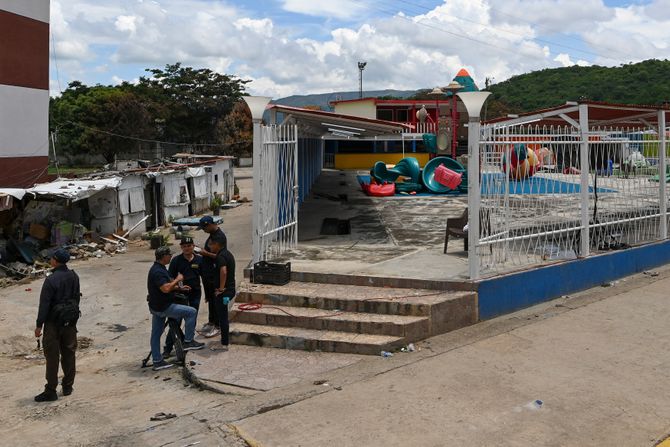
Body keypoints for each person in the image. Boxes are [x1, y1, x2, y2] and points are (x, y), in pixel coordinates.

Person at [34, 248, 81, 402]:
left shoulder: (51, 280)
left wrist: (39, 325)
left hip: (53, 323)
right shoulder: (74, 276)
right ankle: (67, 386)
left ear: (55, 261)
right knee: (69, 352)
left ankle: (51, 390)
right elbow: (76, 298)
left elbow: (44, 305)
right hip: (70, 321)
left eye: (52, 258)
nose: (50, 260)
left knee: (52, 356)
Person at [147, 246, 205, 371]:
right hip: (164, 307)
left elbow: (166, 285)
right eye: (169, 255)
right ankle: (188, 341)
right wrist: (178, 280)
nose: (171, 257)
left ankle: (157, 361)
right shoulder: (158, 271)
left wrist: (179, 288)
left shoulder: (159, 268)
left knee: (156, 334)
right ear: (163, 257)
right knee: (191, 312)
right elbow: (166, 288)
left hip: (156, 306)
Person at [163, 236, 203, 359]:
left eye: (189, 246)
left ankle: (188, 342)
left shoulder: (199, 260)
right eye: (184, 246)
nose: (186, 248)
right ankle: (168, 349)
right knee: (176, 322)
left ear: (193, 246)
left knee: (192, 318)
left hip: (195, 293)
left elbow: (205, 277)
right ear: (181, 247)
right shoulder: (176, 261)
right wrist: (179, 286)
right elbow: (170, 278)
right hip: (180, 295)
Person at [197, 215, 227, 338]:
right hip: (208, 272)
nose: (204, 230)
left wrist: (204, 253)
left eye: (205, 228)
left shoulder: (219, 237)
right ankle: (212, 321)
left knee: (215, 299)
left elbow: (218, 256)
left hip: (214, 271)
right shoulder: (212, 235)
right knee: (210, 297)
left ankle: (218, 324)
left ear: (210, 225)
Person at [207, 235, 235, 351]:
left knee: (222, 317)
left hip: (224, 292)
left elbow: (223, 272)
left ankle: (224, 344)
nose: (209, 247)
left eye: (211, 244)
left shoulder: (220, 257)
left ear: (217, 244)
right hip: (230, 290)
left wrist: (221, 289)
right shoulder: (228, 254)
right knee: (223, 316)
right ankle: (224, 339)